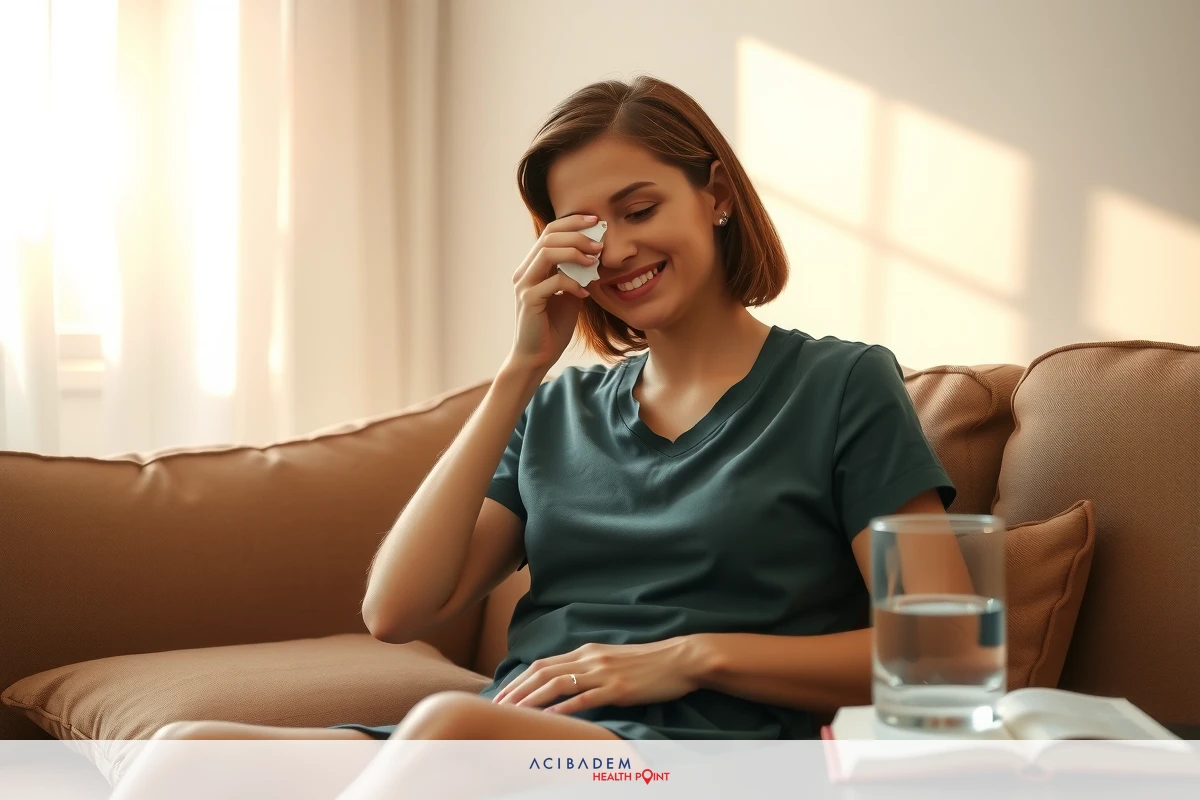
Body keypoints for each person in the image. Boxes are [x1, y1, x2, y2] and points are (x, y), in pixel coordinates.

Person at [149, 75, 955, 746]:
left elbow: (942, 653)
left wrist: (691, 657)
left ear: (715, 196)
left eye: (640, 210)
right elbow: (394, 609)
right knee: (193, 752)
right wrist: (521, 369)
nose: (621, 251)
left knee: (449, 736)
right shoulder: (558, 408)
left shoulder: (843, 383)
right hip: (508, 739)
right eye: (589, 231)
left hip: (692, 751)